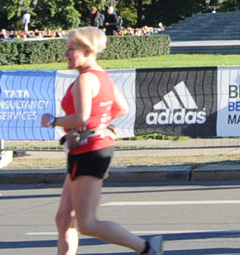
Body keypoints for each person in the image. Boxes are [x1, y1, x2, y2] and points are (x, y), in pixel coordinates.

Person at [44, 27, 157, 255]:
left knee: (87, 223)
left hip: (90, 150)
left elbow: (81, 117)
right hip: (90, 146)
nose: (66, 54)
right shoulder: (101, 75)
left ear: (88, 51)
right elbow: (121, 108)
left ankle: (146, 247)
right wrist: (101, 125)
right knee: (64, 218)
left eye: (71, 49)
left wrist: (53, 121)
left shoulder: (86, 79)